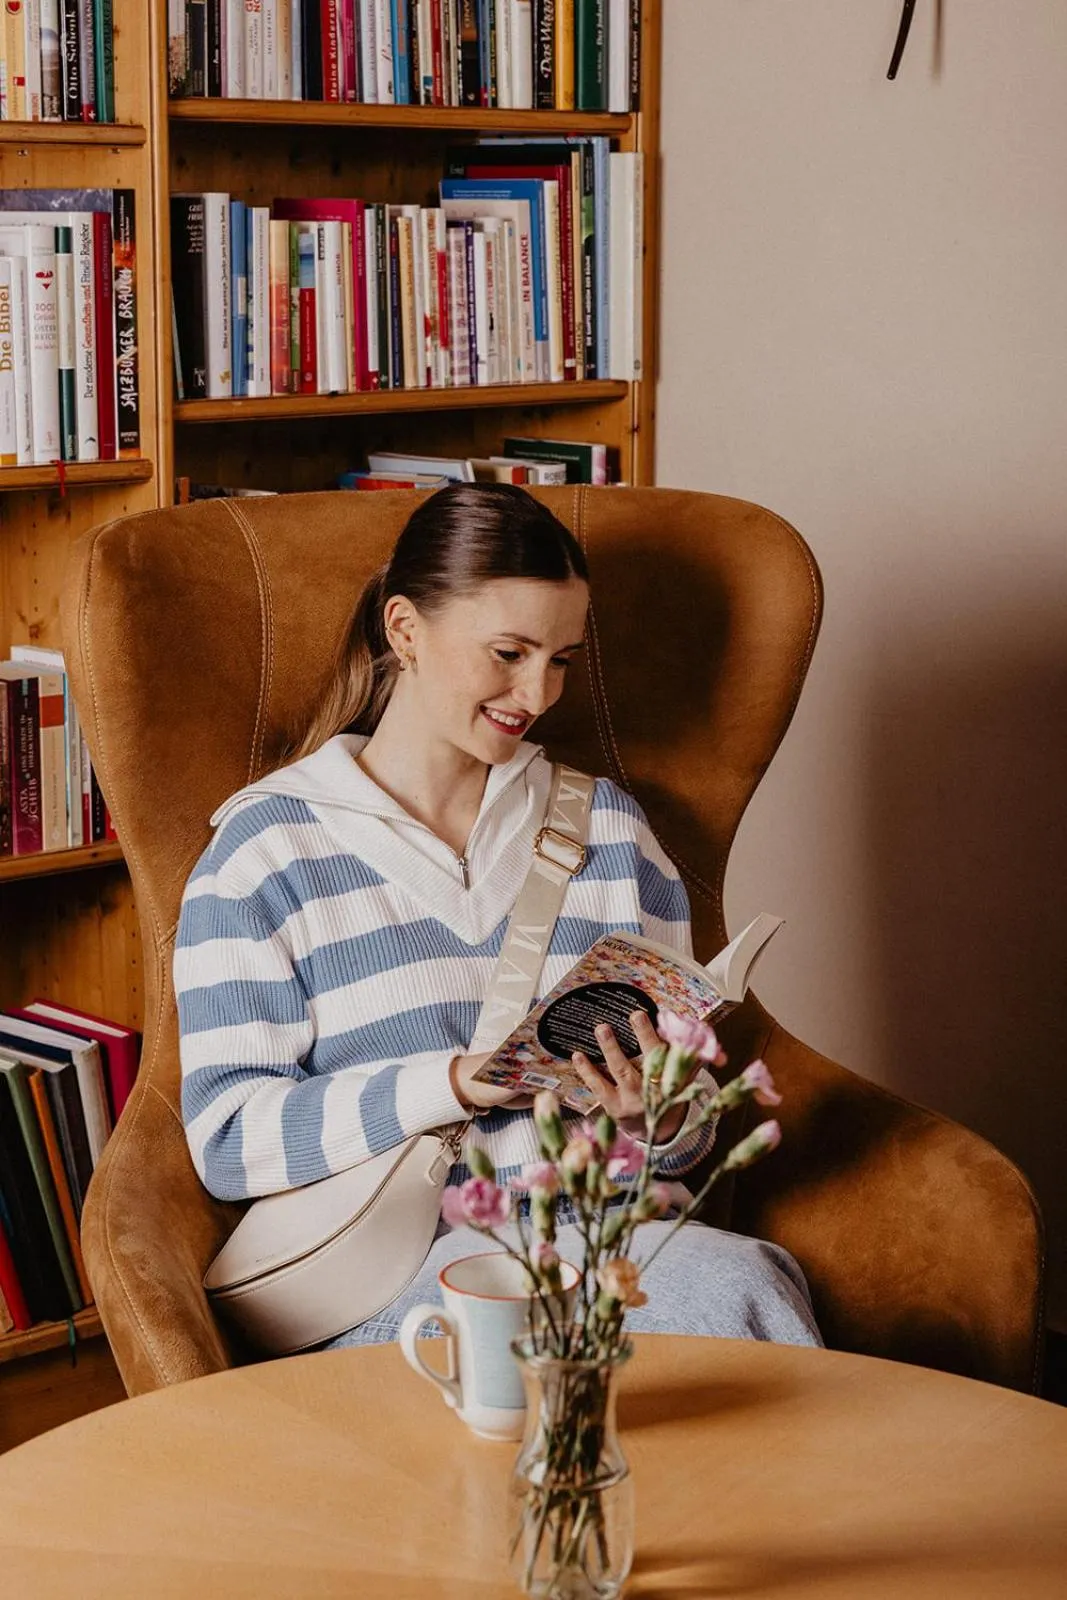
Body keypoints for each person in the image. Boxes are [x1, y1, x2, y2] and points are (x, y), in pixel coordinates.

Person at [175, 483, 821, 1350]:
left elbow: (687, 1124)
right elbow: (228, 1137)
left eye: (559, 658)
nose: (537, 692)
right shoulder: (265, 851)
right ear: (404, 630)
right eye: (509, 651)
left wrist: (654, 1117)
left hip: (608, 1247)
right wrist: (446, 1084)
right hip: (398, 1288)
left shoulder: (610, 832)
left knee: (739, 1286)